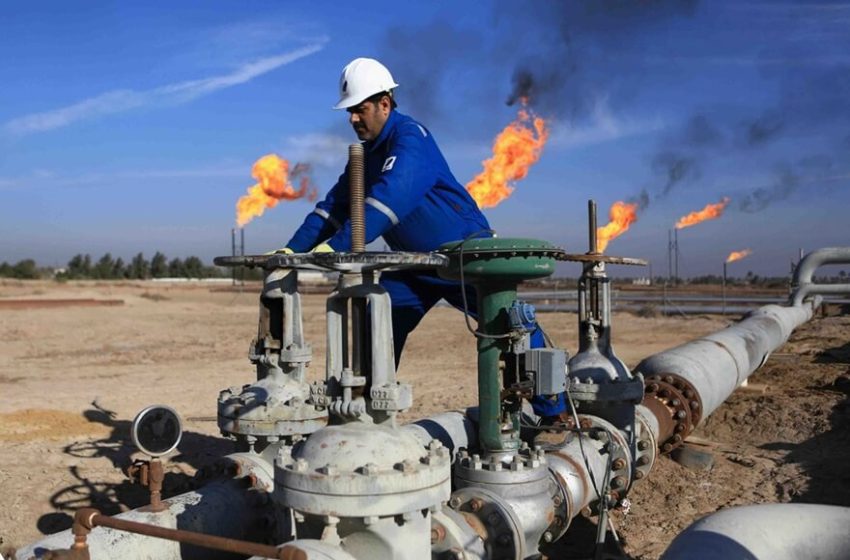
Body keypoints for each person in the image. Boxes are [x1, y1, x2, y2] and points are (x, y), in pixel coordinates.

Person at [280, 57, 565, 420]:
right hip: (415, 266)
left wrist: (335, 248)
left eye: (360, 109)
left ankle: (553, 412)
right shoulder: (365, 157)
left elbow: (391, 198)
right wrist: (291, 250)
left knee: (512, 327)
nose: (352, 119)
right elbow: (333, 208)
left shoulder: (411, 138)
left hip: (462, 258)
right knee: (376, 325)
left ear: (385, 103)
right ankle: (366, 415)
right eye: (349, 112)